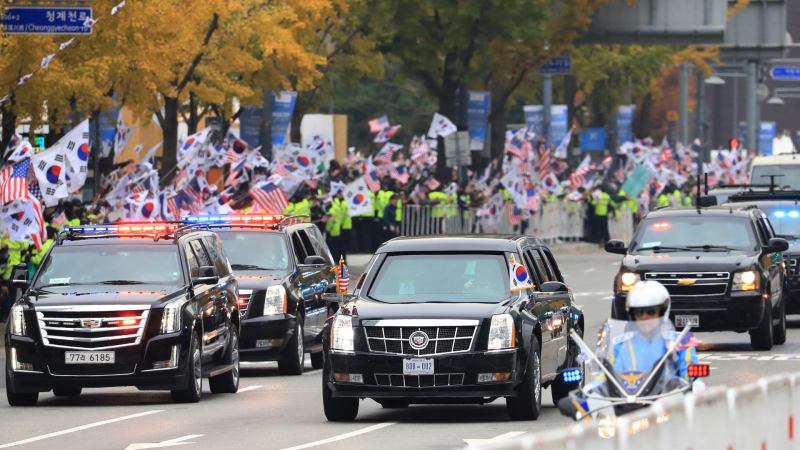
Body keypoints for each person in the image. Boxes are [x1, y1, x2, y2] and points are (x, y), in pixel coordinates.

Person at [611, 281, 697, 381]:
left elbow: (690, 378)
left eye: (650, 311)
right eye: (639, 312)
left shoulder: (682, 341)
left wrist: (695, 385)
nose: (644, 317)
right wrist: (592, 390)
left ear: (662, 312)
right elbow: (607, 378)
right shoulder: (620, 344)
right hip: (629, 395)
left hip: (670, 395)